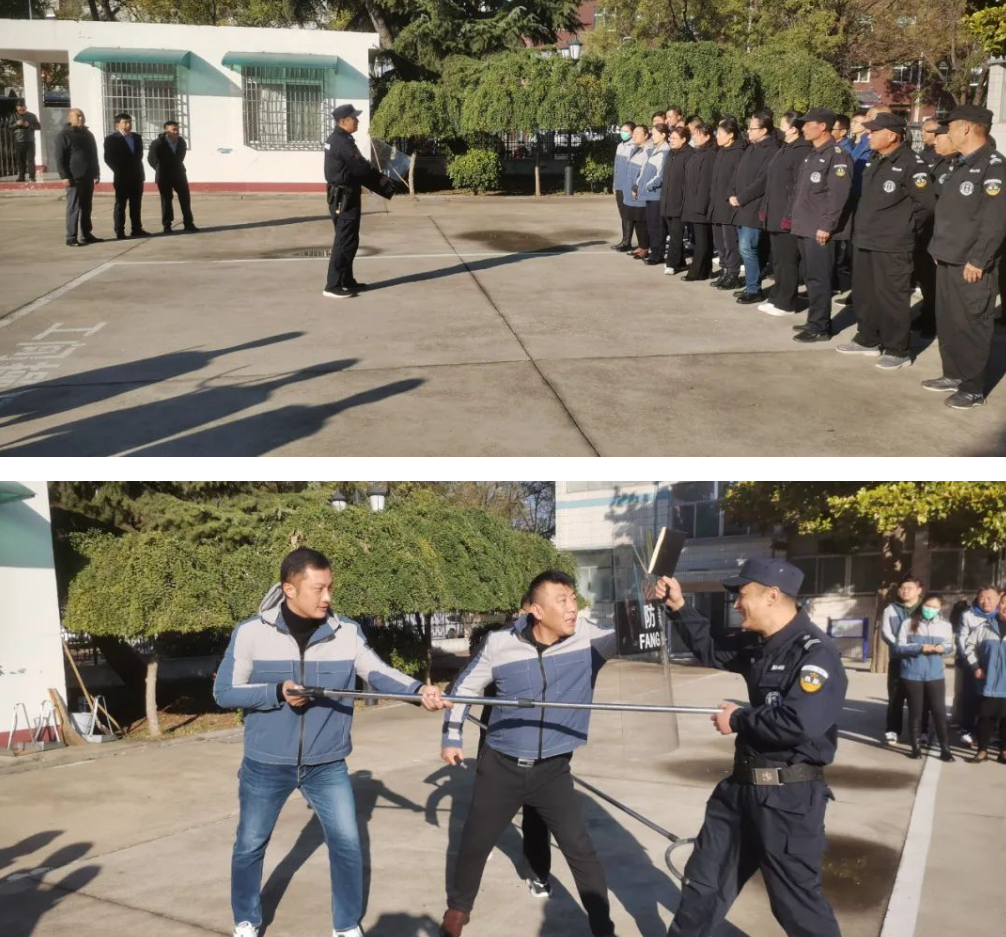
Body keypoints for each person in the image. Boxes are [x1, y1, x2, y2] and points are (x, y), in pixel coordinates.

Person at [213, 547, 449, 937]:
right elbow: (224, 692)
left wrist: (417, 691)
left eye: (330, 587)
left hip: (327, 764)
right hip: (266, 763)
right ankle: (246, 919)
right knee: (250, 844)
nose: (328, 597)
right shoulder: (251, 633)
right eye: (318, 588)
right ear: (289, 589)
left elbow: (378, 672)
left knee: (347, 843)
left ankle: (346, 925)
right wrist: (276, 692)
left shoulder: (346, 632)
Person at [655, 559, 846, 937]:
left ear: (772, 596)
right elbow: (710, 647)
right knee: (704, 887)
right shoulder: (761, 645)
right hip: (739, 791)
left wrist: (739, 719)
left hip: (788, 799)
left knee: (796, 905)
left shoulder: (815, 653)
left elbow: (800, 722)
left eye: (742, 595)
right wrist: (678, 606)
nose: (737, 604)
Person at [439, 570, 618, 937]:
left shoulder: (588, 639)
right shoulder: (499, 644)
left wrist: (662, 605)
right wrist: (452, 736)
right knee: (474, 844)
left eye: (573, 599)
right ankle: (456, 913)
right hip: (500, 766)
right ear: (537, 610)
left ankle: (604, 927)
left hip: (553, 770)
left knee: (580, 850)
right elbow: (464, 688)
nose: (572, 608)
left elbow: (630, 637)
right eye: (562, 601)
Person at [837, 112, 935, 369]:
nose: (868, 135)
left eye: (874, 131)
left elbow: (926, 207)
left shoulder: (912, 164)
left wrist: (903, 229)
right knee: (865, 294)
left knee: (892, 297)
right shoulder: (875, 159)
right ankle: (867, 338)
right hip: (866, 239)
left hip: (893, 244)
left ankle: (897, 349)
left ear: (892, 136)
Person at [924, 104, 1006, 409]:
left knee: (972, 323)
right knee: (949, 321)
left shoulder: (994, 166)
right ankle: (953, 374)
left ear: (967, 128)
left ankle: (972, 388)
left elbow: (996, 220)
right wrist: (938, 248)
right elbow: (950, 214)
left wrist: (979, 259)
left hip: (971, 263)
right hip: (948, 257)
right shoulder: (958, 164)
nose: (947, 133)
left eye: (951, 127)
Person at [473, 593, 553, 898]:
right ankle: (480, 847)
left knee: (537, 809)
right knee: (489, 801)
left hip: (537, 739)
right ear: (522, 611)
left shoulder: (552, 645)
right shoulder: (499, 642)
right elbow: (472, 681)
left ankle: (538, 873)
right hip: (497, 735)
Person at [790, 107, 853, 343]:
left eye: (808, 124)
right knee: (810, 277)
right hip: (805, 225)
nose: (804, 128)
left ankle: (820, 327)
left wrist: (827, 225)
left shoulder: (837, 155)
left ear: (823, 126)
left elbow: (837, 195)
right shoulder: (813, 154)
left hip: (820, 229)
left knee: (819, 279)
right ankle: (814, 320)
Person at [322, 103, 396, 299]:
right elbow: (360, 168)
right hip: (343, 197)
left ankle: (346, 280)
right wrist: (381, 180)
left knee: (351, 239)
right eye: (354, 118)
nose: (357, 121)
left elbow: (357, 167)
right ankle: (332, 285)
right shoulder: (342, 142)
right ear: (343, 121)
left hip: (345, 195)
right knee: (344, 239)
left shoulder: (339, 139)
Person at [758, 111, 811, 317]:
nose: (779, 128)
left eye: (783, 125)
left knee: (788, 261)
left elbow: (797, 187)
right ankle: (777, 296)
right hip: (774, 211)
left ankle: (787, 302)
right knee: (778, 260)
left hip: (787, 215)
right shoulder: (785, 148)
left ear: (794, 129)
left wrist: (789, 215)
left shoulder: (802, 151)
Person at [892, 593, 956, 761]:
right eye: (928, 606)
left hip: (935, 675)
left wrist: (944, 648)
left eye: (934, 607)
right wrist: (920, 648)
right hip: (912, 675)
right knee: (916, 712)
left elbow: (950, 646)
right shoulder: (907, 623)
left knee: (939, 712)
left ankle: (945, 749)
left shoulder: (945, 625)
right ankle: (916, 748)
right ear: (922, 605)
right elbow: (898, 648)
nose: (930, 610)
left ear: (940, 609)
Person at [729, 110, 779, 303]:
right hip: (740, 205)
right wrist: (732, 193)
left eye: (752, 128)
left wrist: (741, 198)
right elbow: (738, 172)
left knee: (747, 248)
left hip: (754, 206)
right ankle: (751, 284)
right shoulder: (752, 147)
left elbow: (762, 180)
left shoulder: (771, 150)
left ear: (764, 130)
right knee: (746, 248)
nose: (748, 131)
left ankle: (754, 289)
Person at [964, 589, 1006, 764]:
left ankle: (1004, 751)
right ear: (999, 604)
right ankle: (982, 751)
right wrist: (975, 667)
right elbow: (969, 647)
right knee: (985, 717)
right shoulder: (984, 626)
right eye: (1004, 603)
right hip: (988, 682)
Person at [956, 586, 1000, 746]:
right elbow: (963, 640)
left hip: (997, 666)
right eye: (982, 597)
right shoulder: (968, 615)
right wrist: (973, 664)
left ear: (998, 599)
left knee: (993, 700)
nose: (985, 601)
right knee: (970, 698)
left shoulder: (1002, 615)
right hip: (973, 664)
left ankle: (992, 732)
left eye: (990, 598)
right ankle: (968, 730)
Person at [708, 117, 746, 291]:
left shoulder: (739, 152)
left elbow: (737, 179)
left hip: (728, 204)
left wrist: (731, 196)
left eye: (720, 133)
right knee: (719, 241)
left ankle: (733, 273)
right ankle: (724, 269)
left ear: (731, 135)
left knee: (730, 241)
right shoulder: (721, 151)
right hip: (716, 203)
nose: (717, 136)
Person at [55, 108, 101, 248]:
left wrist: (96, 173)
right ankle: (71, 237)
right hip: (73, 177)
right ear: (70, 118)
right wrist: (64, 175)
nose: (81, 118)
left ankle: (86, 234)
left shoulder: (88, 134)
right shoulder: (64, 135)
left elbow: (93, 155)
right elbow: (59, 157)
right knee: (73, 207)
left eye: (82, 116)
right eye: (78, 116)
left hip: (88, 176)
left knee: (87, 207)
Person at [103, 112, 150, 240]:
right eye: (125, 122)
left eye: (130, 122)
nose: (128, 125)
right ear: (117, 124)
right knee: (120, 205)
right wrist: (119, 171)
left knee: (136, 204)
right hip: (122, 177)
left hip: (137, 176)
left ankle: (136, 229)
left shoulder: (137, 138)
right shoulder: (112, 139)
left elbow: (139, 156)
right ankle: (119, 231)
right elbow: (108, 158)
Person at [681, 122, 717, 281]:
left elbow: (705, 183)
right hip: (693, 201)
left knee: (702, 240)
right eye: (693, 134)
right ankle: (705, 270)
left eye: (697, 134)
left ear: (707, 136)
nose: (694, 137)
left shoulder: (709, 154)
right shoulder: (698, 152)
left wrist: (701, 206)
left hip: (701, 204)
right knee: (702, 239)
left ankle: (697, 271)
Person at [148, 120, 198, 234]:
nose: (176, 132)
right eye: (173, 130)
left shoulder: (181, 142)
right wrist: (160, 169)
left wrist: (175, 167)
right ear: (166, 131)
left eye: (177, 129)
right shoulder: (158, 143)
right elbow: (151, 159)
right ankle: (167, 225)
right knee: (166, 200)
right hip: (164, 176)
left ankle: (189, 223)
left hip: (179, 174)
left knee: (185, 199)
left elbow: (181, 157)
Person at [635, 122, 670, 265]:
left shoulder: (665, 151)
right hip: (649, 194)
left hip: (656, 195)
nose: (652, 135)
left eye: (655, 133)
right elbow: (644, 171)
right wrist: (639, 185)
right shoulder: (655, 149)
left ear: (663, 135)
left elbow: (660, 176)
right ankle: (654, 252)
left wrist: (646, 187)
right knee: (652, 226)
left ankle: (657, 255)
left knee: (657, 227)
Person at [661, 126, 694, 275]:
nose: (671, 140)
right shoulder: (670, 153)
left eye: (674, 138)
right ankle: (680, 263)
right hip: (668, 200)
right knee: (673, 233)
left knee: (676, 234)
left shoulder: (689, 154)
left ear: (684, 139)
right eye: (670, 137)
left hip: (680, 202)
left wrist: (685, 199)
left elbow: (690, 180)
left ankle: (671, 263)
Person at [621, 125, 652, 259]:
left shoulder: (648, 151)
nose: (635, 135)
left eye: (638, 133)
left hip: (639, 192)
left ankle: (645, 248)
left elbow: (645, 173)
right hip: (630, 192)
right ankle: (640, 245)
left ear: (646, 135)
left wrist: (637, 187)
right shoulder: (635, 149)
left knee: (642, 220)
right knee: (636, 219)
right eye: (634, 133)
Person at [610, 121, 638, 251]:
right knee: (623, 215)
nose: (623, 133)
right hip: (619, 185)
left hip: (628, 186)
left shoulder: (635, 147)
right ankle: (625, 240)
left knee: (629, 214)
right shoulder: (620, 146)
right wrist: (615, 185)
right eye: (622, 130)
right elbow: (616, 167)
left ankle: (628, 241)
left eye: (626, 131)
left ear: (632, 132)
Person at [10, 98, 40, 183]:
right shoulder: (13, 116)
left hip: (29, 140)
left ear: (26, 108)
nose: (21, 111)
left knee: (30, 159)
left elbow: (38, 127)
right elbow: (9, 127)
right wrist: (16, 124)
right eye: (19, 110)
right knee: (20, 160)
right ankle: (21, 176)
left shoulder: (32, 116)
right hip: (18, 141)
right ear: (17, 109)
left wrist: (29, 125)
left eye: (23, 109)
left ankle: (32, 176)